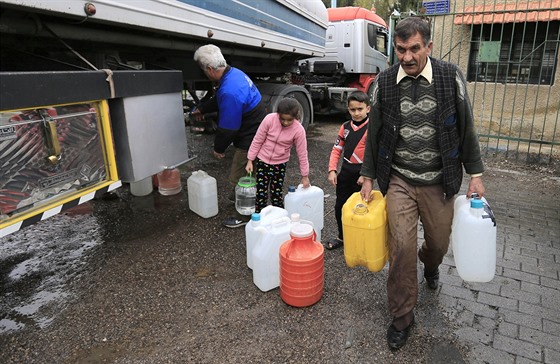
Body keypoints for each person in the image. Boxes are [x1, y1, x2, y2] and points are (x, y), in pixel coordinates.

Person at [359, 17, 485, 350]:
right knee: (401, 248)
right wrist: (368, 176)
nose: (407, 56)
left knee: (438, 243)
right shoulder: (384, 83)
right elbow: (374, 134)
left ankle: (430, 265)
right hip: (399, 179)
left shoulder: (449, 76)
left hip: (439, 180)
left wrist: (476, 174)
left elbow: (466, 125)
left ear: (428, 46)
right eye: (401, 50)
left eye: (414, 48)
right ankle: (402, 317)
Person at [193, 44, 267, 228]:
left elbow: (228, 129)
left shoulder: (229, 90)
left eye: (203, 70)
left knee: (241, 175)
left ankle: (246, 215)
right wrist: (202, 108)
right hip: (256, 127)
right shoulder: (233, 73)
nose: (204, 73)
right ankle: (243, 197)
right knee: (250, 172)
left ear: (210, 69)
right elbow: (219, 99)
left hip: (250, 135)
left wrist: (218, 148)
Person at [246, 98, 310, 213]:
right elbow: (258, 139)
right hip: (263, 161)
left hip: (280, 164)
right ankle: (260, 216)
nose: (285, 123)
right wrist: (250, 160)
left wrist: (304, 176)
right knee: (261, 192)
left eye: (289, 120)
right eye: (282, 119)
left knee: (276, 193)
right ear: (278, 114)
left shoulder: (298, 130)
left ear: (295, 117)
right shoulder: (269, 119)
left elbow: (302, 153)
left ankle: (279, 217)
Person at [324, 91, 370, 250]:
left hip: (363, 176)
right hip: (345, 173)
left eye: (360, 109)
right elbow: (336, 150)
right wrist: (332, 170)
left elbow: (375, 155)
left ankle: (360, 239)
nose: (356, 113)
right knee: (340, 207)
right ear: (348, 110)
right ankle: (342, 237)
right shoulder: (344, 127)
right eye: (352, 110)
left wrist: (366, 174)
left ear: (368, 109)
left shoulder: (372, 128)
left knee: (361, 210)